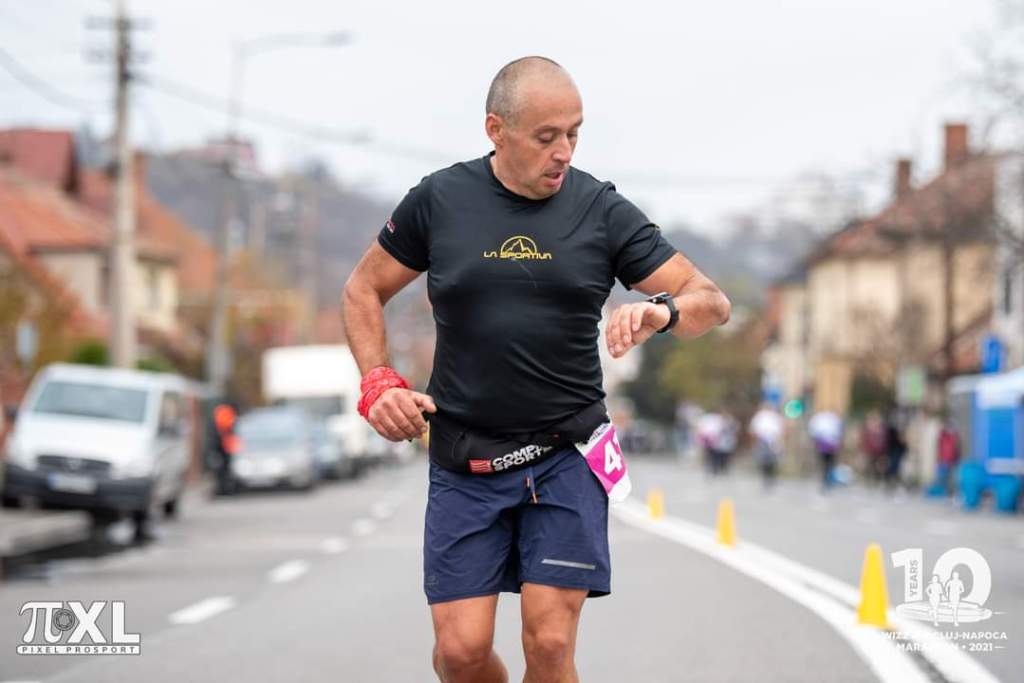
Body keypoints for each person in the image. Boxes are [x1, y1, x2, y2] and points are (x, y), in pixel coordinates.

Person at [342, 56, 731, 683]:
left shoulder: (600, 209)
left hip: (565, 453)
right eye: (546, 136)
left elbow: (709, 300)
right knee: (460, 654)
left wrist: (661, 311)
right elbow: (363, 289)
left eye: (574, 134)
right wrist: (377, 382)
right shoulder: (440, 200)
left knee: (550, 643)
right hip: (465, 456)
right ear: (496, 130)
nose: (564, 152)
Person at [749, 403, 784, 490]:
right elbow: (754, 429)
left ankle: (770, 477)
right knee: (764, 460)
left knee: (772, 460)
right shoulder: (760, 416)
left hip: (773, 440)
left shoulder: (774, 417)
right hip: (763, 440)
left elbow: (781, 429)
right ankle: (766, 477)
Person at [808, 409, 842, 491]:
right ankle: (825, 480)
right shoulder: (824, 419)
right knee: (825, 463)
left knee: (828, 463)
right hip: (825, 444)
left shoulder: (833, 419)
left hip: (829, 444)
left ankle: (827, 480)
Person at [859, 410, 887, 486]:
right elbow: (863, 440)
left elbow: (884, 441)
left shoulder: (881, 429)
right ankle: (867, 480)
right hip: (869, 450)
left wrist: (884, 451)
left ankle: (875, 480)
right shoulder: (867, 429)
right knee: (868, 466)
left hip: (879, 451)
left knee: (878, 467)